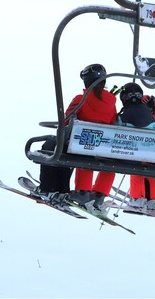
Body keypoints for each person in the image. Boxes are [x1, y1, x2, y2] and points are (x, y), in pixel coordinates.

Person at [51, 64, 118, 209]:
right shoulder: (111, 102)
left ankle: (83, 191)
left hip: (83, 147)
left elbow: (66, 121)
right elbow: (113, 121)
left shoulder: (80, 99)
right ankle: (100, 194)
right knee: (100, 152)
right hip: (106, 149)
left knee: (82, 146)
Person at [114, 83, 155, 207]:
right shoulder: (151, 117)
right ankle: (153, 200)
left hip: (127, 156)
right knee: (147, 167)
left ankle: (136, 198)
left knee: (134, 165)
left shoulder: (123, 116)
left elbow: (115, 133)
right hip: (149, 156)